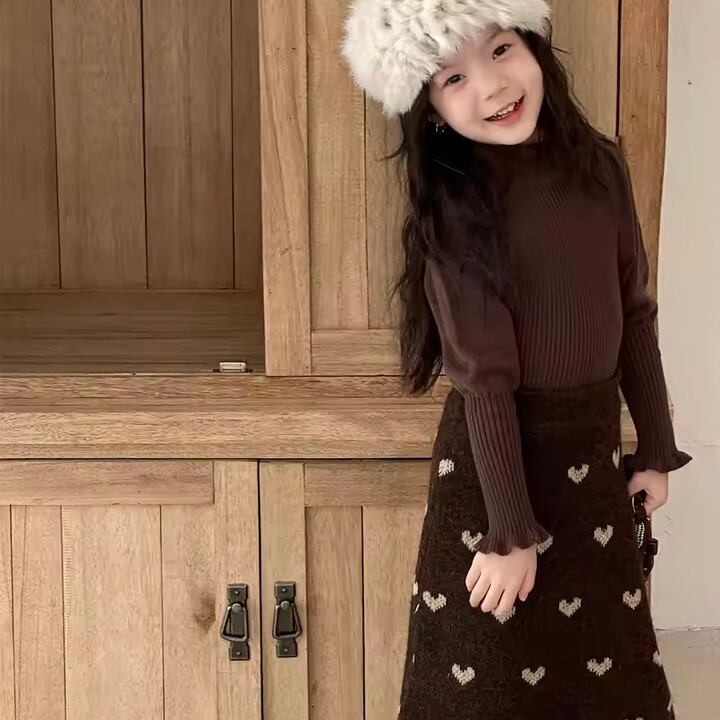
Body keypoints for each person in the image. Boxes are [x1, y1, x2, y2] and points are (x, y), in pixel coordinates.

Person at [340, 1, 693, 718]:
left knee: (603, 677)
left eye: (500, 50)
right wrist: (508, 535)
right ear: (433, 112)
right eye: (454, 78)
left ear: (533, 47)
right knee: (486, 681)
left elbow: (634, 314)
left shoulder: (601, 167)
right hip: (493, 470)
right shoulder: (456, 213)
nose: (492, 85)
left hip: (590, 459)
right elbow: (486, 385)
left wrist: (655, 448)